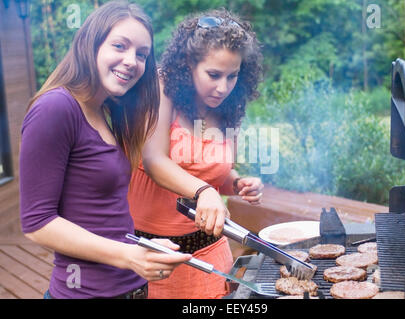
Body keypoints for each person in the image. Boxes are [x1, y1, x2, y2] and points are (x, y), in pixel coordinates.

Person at [19, 1, 191, 299]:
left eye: (141, 54)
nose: (131, 61)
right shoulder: (56, 108)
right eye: (120, 46)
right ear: (91, 44)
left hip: (130, 289)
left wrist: (144, 249)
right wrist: (130, 256)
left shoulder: (106, 111)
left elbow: (103, 215)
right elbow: (37, 224)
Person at [127, 9, 264, 299]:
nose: (223, 87)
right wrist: (204, 192)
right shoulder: (161, 87)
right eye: (213, 74)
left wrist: (237, 184)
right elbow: (153, 160)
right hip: (155, 257)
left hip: (210, 256)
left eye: (233, 76)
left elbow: (214, 174)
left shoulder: (229, 107)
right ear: (188, 64)